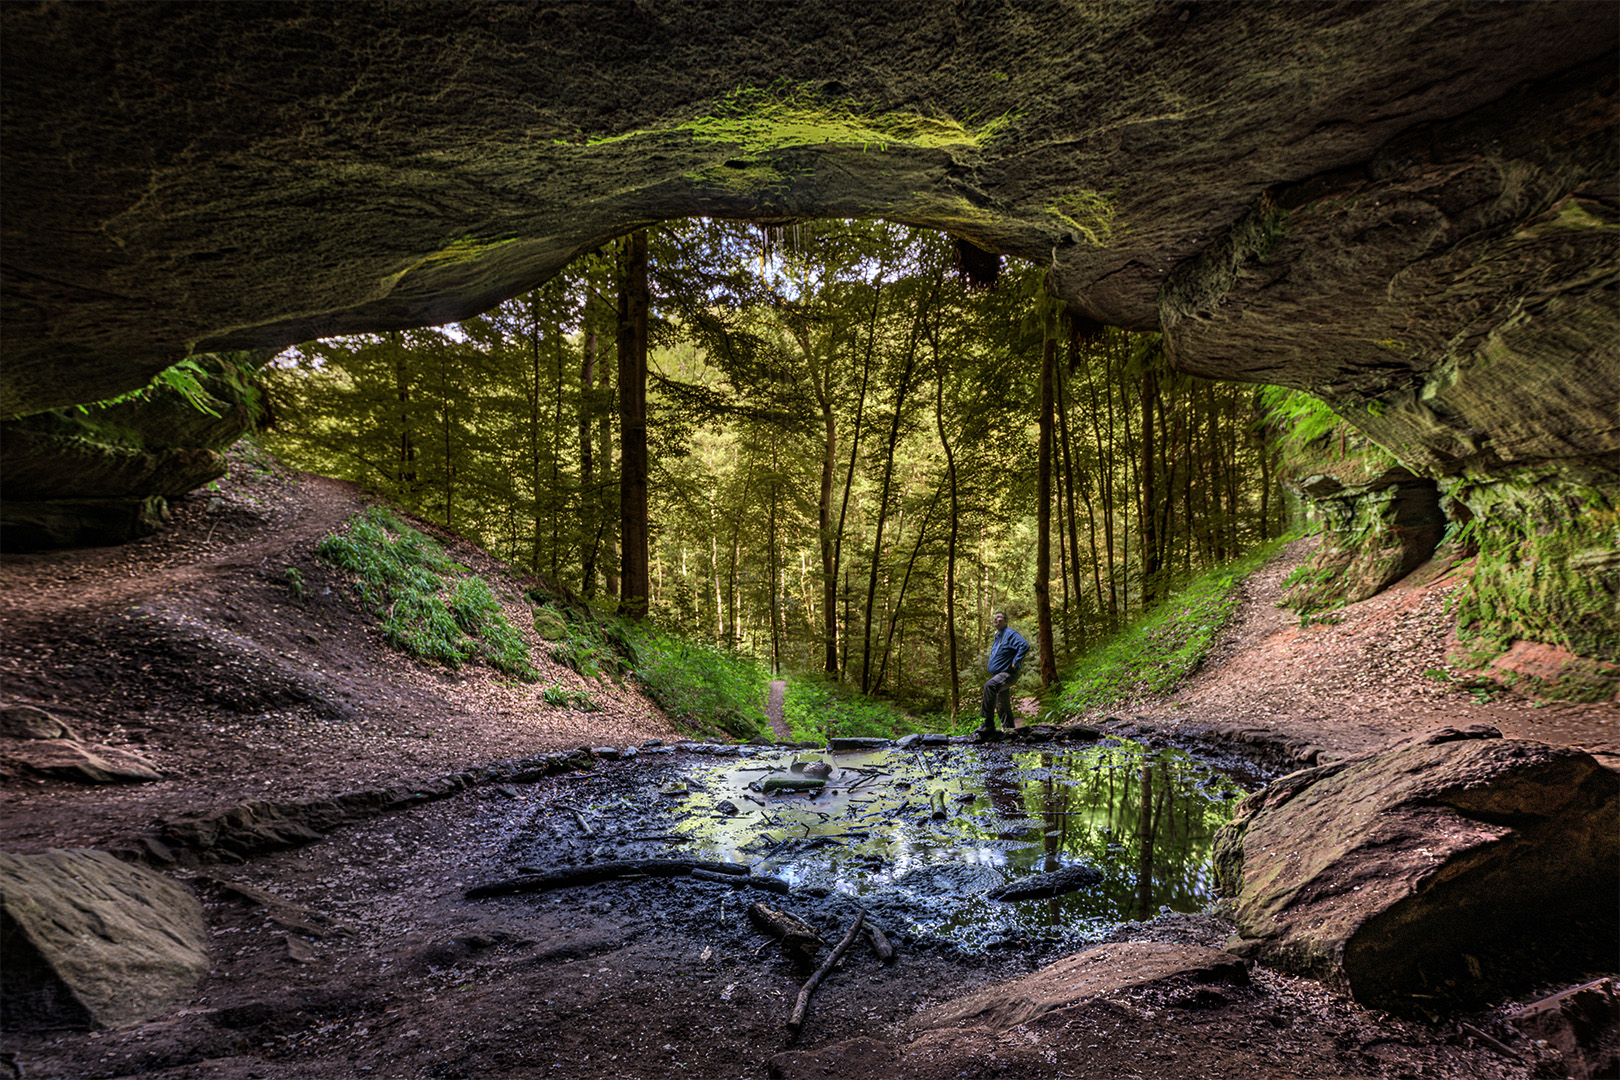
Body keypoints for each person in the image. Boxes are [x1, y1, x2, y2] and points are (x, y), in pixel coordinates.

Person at [979, 610, 1029, 733]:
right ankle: (1010, 730)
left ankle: (988, 723)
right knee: (1002, 703)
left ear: (1006, 621)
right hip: (998, 674)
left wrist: (1016, 661)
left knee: (990, 686)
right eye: (995, 618)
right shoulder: (998, 636)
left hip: (1007, 674)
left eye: (999, 617)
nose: (996, 619)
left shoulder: (1010, 634)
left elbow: (1024, 645)